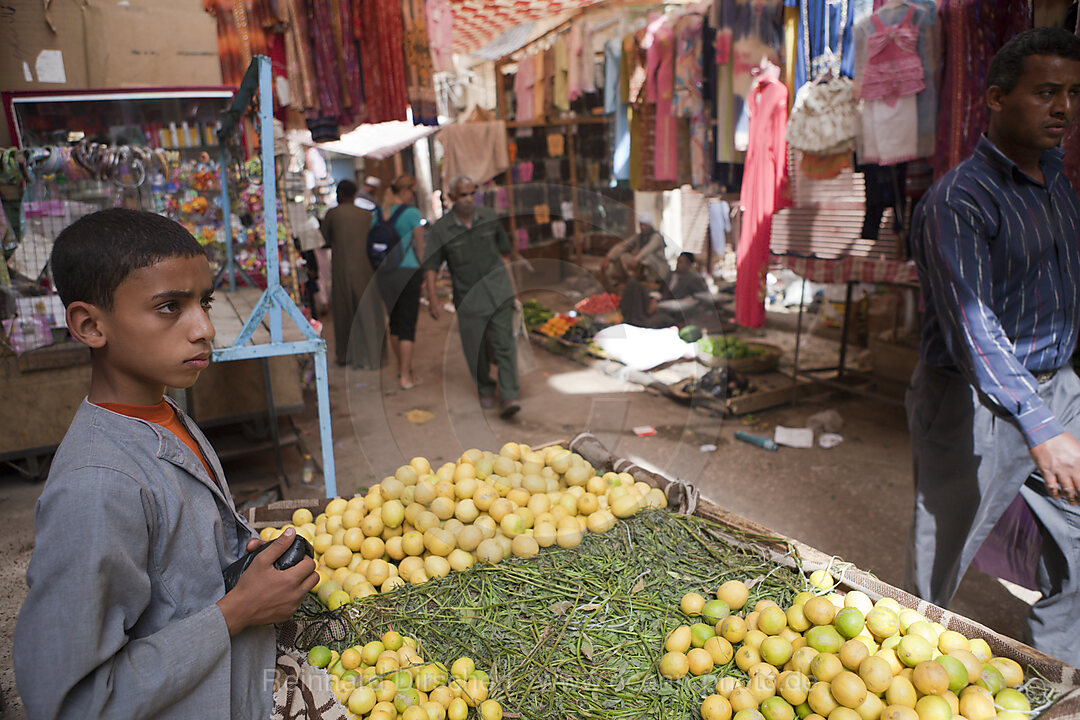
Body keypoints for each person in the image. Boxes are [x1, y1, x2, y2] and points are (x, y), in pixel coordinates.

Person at [13, 208, 318, 718]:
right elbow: (71, 703)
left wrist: (237, 558)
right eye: (169, 307)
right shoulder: (97, 486)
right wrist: (237, 610)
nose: (203, 328)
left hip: (245, 675)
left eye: (205, 302)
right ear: (90, 325)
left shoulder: (164, 413)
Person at [905, 27, 1080, 666]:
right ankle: (905, 675)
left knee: (1079, 536)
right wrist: (1041, 425)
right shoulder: (959, 200)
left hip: (1056, 386)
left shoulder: (1057, 185)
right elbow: (973, 327)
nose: (1063, 108)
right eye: (1045, 93)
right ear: (998, 98)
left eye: (1072, 93)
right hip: (970, 402)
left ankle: (1062, 670)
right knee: (941, 557)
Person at [423, 175, 521, 418]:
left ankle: (509, 395)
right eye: (463, 195)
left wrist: (513, 289)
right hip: (468, 297)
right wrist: (433, 299)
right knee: (476, 349)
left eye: (471, 193)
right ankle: (485, 387)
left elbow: (505, 254)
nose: (468, 199)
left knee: (504, 344)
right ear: (453, 198)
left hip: (498, 291)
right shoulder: (442, 229)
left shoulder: (489, 218)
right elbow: (431, 266)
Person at [321, 179, 382, 368]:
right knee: (368, 314)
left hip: (342, 269)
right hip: (366, 269)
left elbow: (325, 239)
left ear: (339, 194)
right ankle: (373, 357)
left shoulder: (333, 214)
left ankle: (345, 356)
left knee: (343, 314)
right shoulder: (367, 215)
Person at [374, 174, 426, 389]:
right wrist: (423, 271)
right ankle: (406, 376)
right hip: (408, 272)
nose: (413, 195)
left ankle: (400, 368)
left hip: (385, 274)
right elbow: (420, 245)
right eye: (413, 191)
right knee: (407, 326)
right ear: (405, 191)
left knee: (395, 323)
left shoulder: (378, 214)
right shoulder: (412, 214)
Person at [601, 212, 670, 289]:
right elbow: (623, 246)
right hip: (639, 266)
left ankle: (645, 279)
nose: (642, 227)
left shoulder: (656, 237)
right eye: (641, 225)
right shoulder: (638, 237)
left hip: (657, 269)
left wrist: (636, 260)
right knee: (624, 256)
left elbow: (647, 250)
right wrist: (609, 257)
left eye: (645, 225)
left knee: (647, 258)